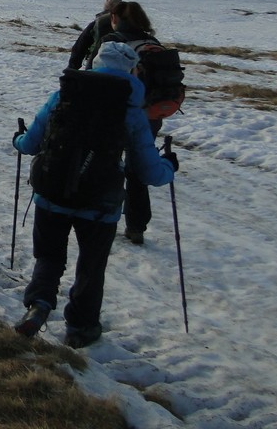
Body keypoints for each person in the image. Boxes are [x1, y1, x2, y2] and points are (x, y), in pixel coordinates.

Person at [11, 41, 177, 348]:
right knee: (91, 266)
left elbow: (31, 143)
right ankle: (81, 328)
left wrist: (18, 140)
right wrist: (169, 166)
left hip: (53, 194)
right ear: (132, 71)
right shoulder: (131, 110)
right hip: (100, 203)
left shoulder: (65, 94)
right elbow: (149, 172)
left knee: (49, 255)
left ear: (95, 63)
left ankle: (40, 304)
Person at [99, 1, 164, 245]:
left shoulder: (112, 41)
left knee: (107, 164)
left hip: (117, 114)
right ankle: (136, 227)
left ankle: (104, 217)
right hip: (150, 114)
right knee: (137, 169)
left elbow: (93, 75)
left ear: (115, 17)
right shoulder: (153, 42)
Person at [69, 0, 121, 69]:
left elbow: (80, 46)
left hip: (96, 63)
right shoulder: (126, 24)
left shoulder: (97, 23)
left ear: (106, 6)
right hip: (121, 65)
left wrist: (72, 68)